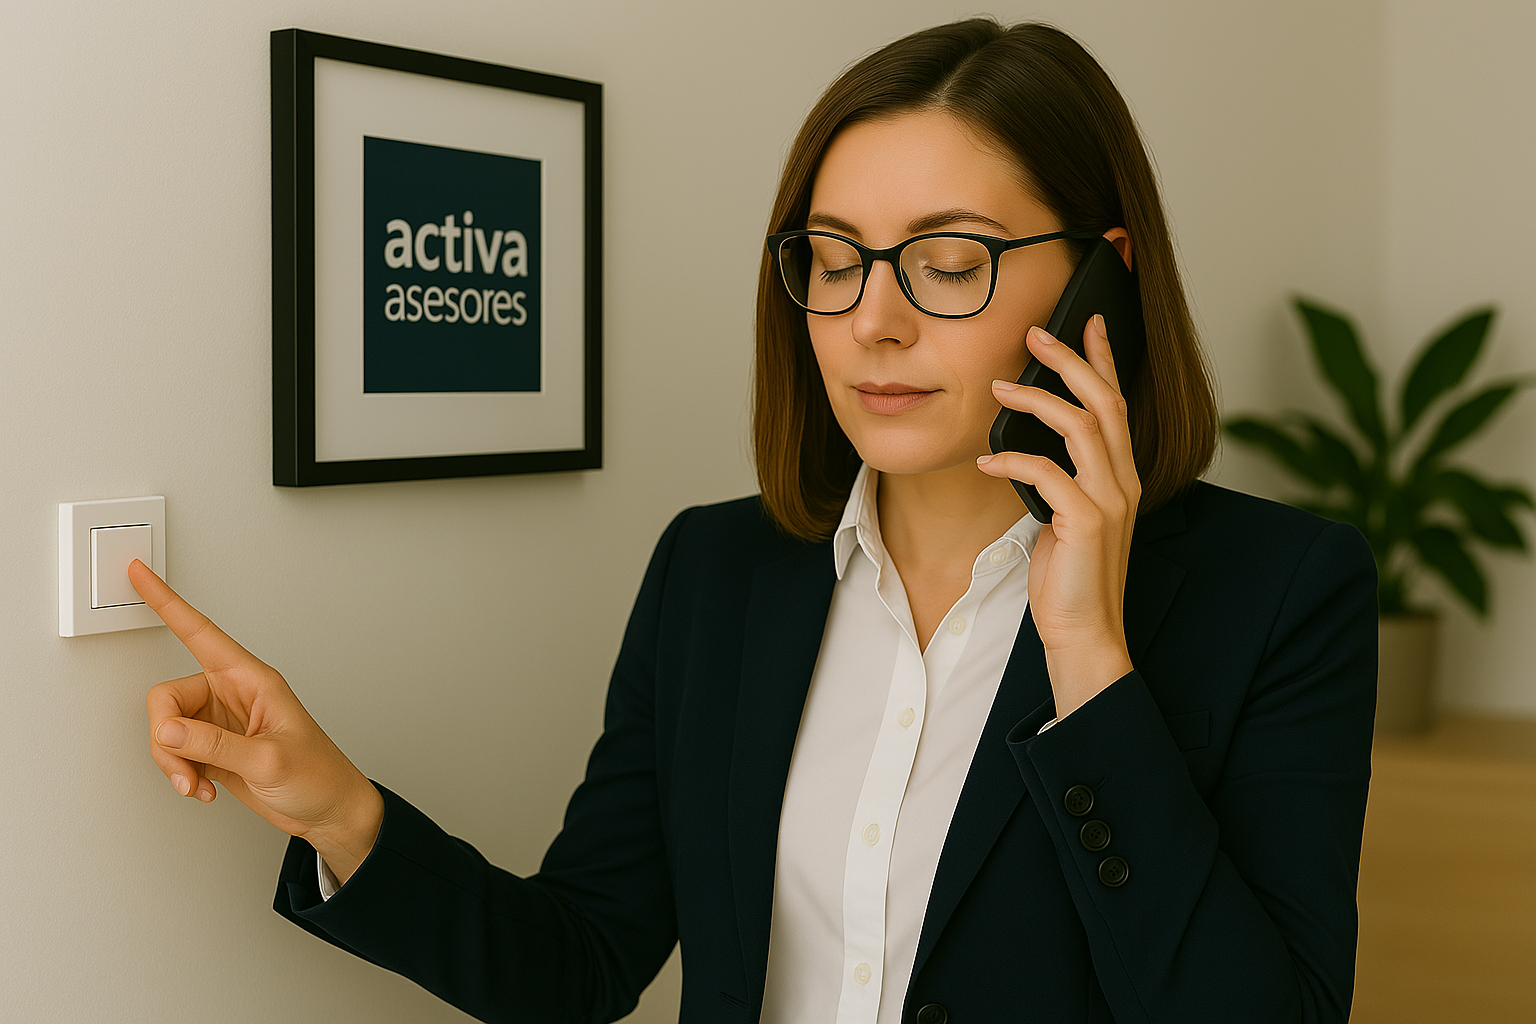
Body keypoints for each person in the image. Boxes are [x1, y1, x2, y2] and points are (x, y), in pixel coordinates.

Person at [134, 17, 1378, 1024]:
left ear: (1101, 270)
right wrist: (340, 809)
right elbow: (581, 960)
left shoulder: (1278, 591)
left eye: (949, 263)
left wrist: (1091, 664)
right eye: (833, 258)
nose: (873, 321)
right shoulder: (715, 570)